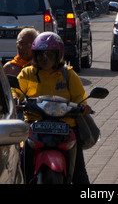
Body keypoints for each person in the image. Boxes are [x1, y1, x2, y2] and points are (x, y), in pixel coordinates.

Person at [13, 32, 92, 184]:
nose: (44, 58)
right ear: (35, 55)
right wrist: (15, 98)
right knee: (20, 165)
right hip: (35, 126)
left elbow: (79, 96)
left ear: (58, 55)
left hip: (66, 126)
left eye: (49, 54)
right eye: (40, 54)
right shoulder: (27, 73)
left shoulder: (68, 74)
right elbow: (16, 90)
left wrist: (83, 106)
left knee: (79, 172)